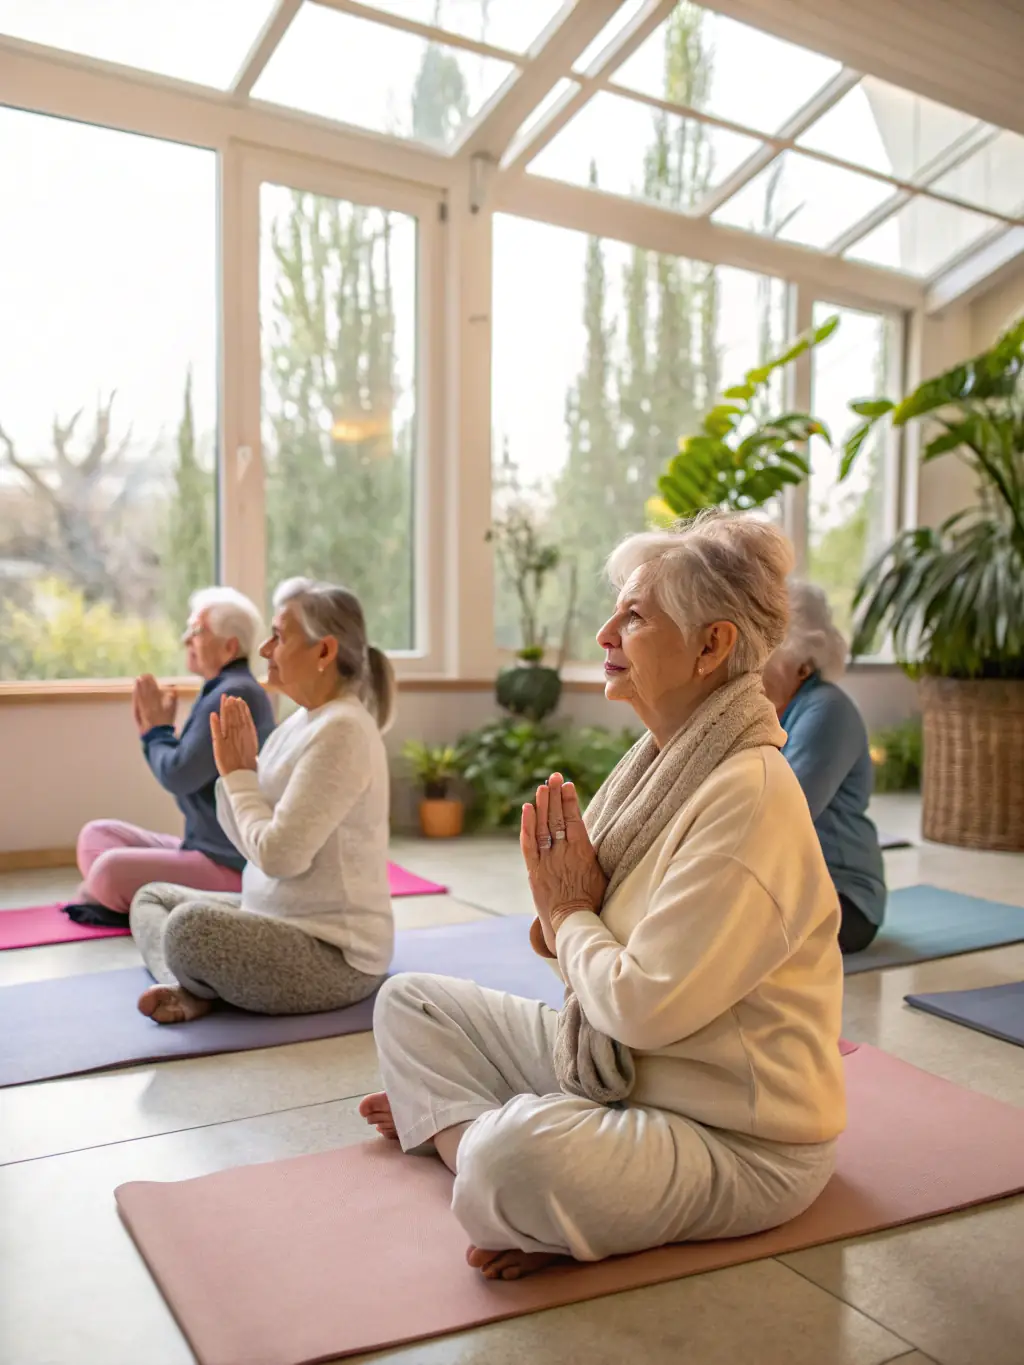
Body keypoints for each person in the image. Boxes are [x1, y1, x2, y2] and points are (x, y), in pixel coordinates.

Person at [360, 511, 845, 1282]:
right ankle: (485, 1139)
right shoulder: (662, 764)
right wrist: (569, 915)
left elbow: (639, 1004)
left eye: (635, 614)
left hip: (736, 1138)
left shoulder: (746, 796)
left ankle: (466, 1139)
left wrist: (567, 914)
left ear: (712, 645)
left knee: (502, 1161)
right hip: (620, 1075)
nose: (605, 633)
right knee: (407, 1001)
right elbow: (604, 987)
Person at [130, 577, 396, 1025]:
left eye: (279, 636)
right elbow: (247, 843)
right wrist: (236, 775)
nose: (267, 650)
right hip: (270, 919)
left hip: (332, 955)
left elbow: (278, 857)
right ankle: (194, 985)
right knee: (153, 899)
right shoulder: (300, 724)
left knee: (189, 928)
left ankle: (196, 983)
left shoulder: (343, 730)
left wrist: (237, 775)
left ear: (324, 652)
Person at [70, 588, 275, 921]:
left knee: (108, 871)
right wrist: (157, 733)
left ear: (230, 646)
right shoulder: (227, 687)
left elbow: (179, 774)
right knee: (97, 835)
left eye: (197, 632)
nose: (186, 640)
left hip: (229, 862)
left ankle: (156, 899)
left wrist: (156, 734)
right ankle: (140, 896)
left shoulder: (234, 693)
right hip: (200, 847)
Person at [762, 581, 886, 954]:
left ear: (802, 662)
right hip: (784, 887)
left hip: (845, 900)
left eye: (764, 651)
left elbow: (781, 814)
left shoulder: (827, 710)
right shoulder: (770, 710)